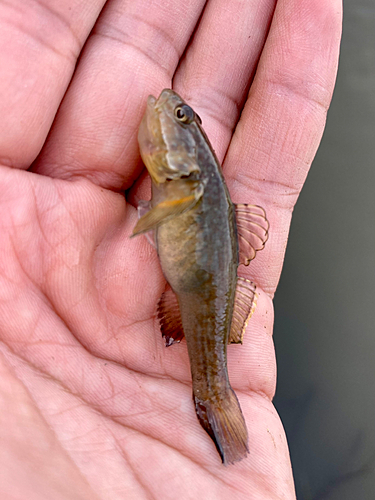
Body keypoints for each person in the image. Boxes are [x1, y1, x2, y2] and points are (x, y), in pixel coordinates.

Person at [0, 0, 342, 498]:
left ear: (186, 162)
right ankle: (216, 407)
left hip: (202, 295)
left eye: (180, 116)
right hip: (201, 291)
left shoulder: (184, 184)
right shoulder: (180, 181)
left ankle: (215, 398)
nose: (169, 107)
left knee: (211, 375)